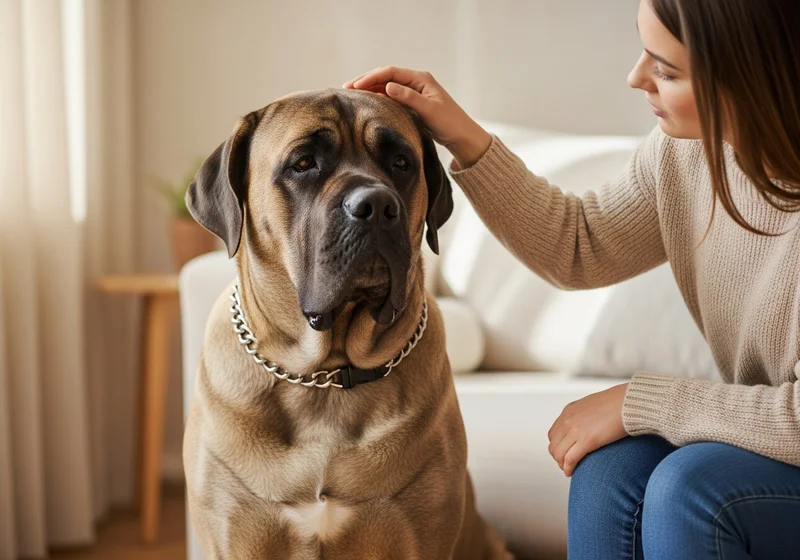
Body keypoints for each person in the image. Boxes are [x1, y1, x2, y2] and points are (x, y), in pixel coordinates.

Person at [344, 0, 800, 558]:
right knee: (608, 473)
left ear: (752, 78)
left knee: (692, 490)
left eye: (667, 70)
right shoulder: (685, 156)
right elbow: (579, 246)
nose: (636, 79)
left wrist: (642, 401)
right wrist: (462, 135)